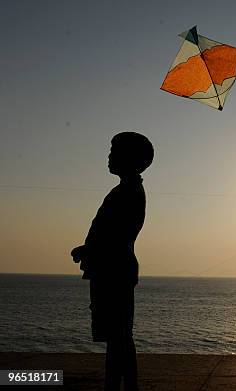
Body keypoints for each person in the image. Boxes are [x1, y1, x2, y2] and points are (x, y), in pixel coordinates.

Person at [71, 132, 154, 391]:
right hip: (113, 266)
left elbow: (119, 232)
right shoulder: (125, 190)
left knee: (119, 337)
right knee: (117, 337)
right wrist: (88, 247)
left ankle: (121, 386)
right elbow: (114, 231)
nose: (109, 156)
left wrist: (91, 248)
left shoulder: (127, 191)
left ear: (132, 159)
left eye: (114, 151)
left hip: (113, 269)